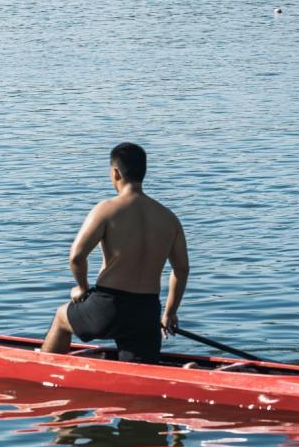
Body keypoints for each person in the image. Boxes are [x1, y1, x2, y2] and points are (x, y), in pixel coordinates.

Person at [40, 142, 190, 363]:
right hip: (146, 311)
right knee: (140, 373)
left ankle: (44, 369)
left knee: (62, 318)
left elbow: (76, 257)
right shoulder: (169, 218)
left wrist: (81, 288)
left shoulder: (106, 209)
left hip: (109, 307)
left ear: (116, 172)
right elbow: (182, 269)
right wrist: (169, 312)